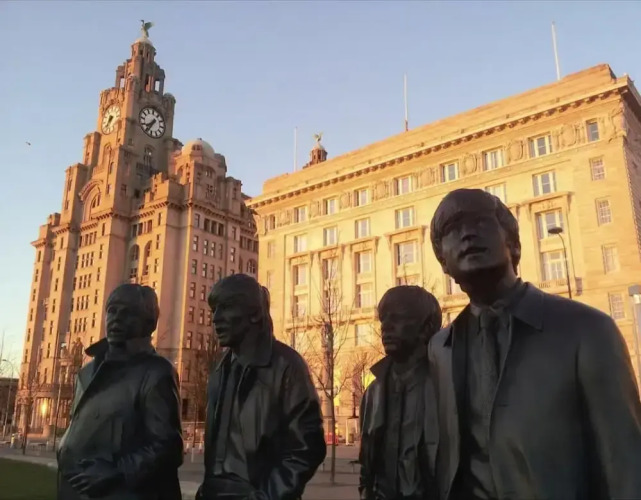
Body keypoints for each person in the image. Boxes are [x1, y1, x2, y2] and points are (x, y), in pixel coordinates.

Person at [428, 188, 641, 500]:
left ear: (514, 244)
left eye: (481, 222)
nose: (467, 233)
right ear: (443, 263)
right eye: (452, 228)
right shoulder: (440, 348)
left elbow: (626, 466)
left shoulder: (587, 330)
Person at [197, 274, 326, 500]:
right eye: (214, 310)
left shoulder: (286, 366)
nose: (215, 319)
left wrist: (266, 497)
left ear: (254, 313)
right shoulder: (219, 371)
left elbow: (306, 448)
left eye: (226, 308)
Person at [57, 283, 183, 500]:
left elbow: (168, 447)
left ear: (149, 323)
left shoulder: (156, 372)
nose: (116, 318)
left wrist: (115, 472)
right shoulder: (86, 372)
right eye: (112, 310)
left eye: (127, 312)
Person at [359, 286, 441, 500]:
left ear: (426, 327)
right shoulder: (372, 394)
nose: (385, 326)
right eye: (383, 319)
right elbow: (367, 465)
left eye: (397, 318)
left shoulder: (447, 387)